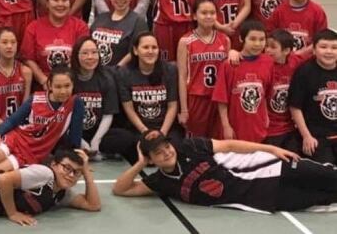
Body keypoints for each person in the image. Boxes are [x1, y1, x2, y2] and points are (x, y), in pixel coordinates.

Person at [113, 129, 337, 213]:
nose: (167, 153)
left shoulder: (190, 146)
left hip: (271, 166)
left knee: (330, 177)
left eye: (167, 146)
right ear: (151, 159)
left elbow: (230, 145)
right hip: (264, 197)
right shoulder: (161, 182)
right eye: (158, 153)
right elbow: (120, 189)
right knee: (325, 197)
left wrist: (271, 148)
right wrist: (140, 164)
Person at [70, 37, 136, 161]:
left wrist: (96, 141)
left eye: (94, 52)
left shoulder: (106, 78)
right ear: (76, 56)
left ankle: (94, 151)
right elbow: (63, 117)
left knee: (125, 137)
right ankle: (83, 150)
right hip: (74, 131)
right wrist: (79, 140)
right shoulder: (68, 78)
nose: (90, 57)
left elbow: (108, 114)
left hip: (99, 131)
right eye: (85, 53)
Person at [176, 0, 229, 138]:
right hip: (197, 97)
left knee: (219, 142)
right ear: (194, 15)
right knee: (197, 143)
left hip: (219, 99)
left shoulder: (224, 40)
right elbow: (182, 76)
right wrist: (184, 109)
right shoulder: (186, 41)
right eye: (204, 12)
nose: (209, 16)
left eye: (212, 12)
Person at [213, 20, 274, 142]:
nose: (257, 44)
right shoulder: (229, 64)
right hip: (235, 128)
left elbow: (266, 94)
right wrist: (226, 126)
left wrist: (266, 116)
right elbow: (221, 100)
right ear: (242, 39)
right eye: (252, 39)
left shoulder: (268, 62)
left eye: (262, 39)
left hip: (259, 127)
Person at [117, 32, 182, 143]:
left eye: (154, 47)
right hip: (138, 129)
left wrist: (162, 133)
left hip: (166, 128)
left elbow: (172, 106)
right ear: (136, 50)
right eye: (145, 47)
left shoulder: (170, 70)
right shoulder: (124, 73)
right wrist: (145, 131)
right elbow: (129, 109)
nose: (150, 51)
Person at [21, 0, 89, 88]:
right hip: (43, 83)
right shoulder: (33, 27)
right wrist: (43, 80)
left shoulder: (81, 27)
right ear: (47, 3)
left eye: (65, 0)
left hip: (72, 83)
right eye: (55, 0)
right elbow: (28, 59)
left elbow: (83, 57)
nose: (60, 4)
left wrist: (64, 82)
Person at [289, 29, 337, 164]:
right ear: (314, 50)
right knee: (327, 175)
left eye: (334, 47)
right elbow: (295, 107)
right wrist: (306, 136)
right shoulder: (304, 72)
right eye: (323, 47)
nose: (329, 51)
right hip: (316, 137)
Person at [0, 28, 32, 139]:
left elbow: (25, 106)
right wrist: (4, 126)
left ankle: (11, 138)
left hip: (19, 120)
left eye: (13, 42)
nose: (9, 46)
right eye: (4, 42)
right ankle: (13, 137)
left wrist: (16, 123)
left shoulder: (26, 71)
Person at [265, 29, 309, 152]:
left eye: (273, 47)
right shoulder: (263, 65)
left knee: (294, 161)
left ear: (286, 51)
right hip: (270, 129)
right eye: (267, 46)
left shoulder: (295, 61)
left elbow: (312, 52)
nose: (267, 50)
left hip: (290, 127)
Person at [90, 0, 147, 67]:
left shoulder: (138, 21)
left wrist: (117, 69)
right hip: (96, 71)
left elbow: (134, 52)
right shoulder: (100, 18)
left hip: (120, 74)